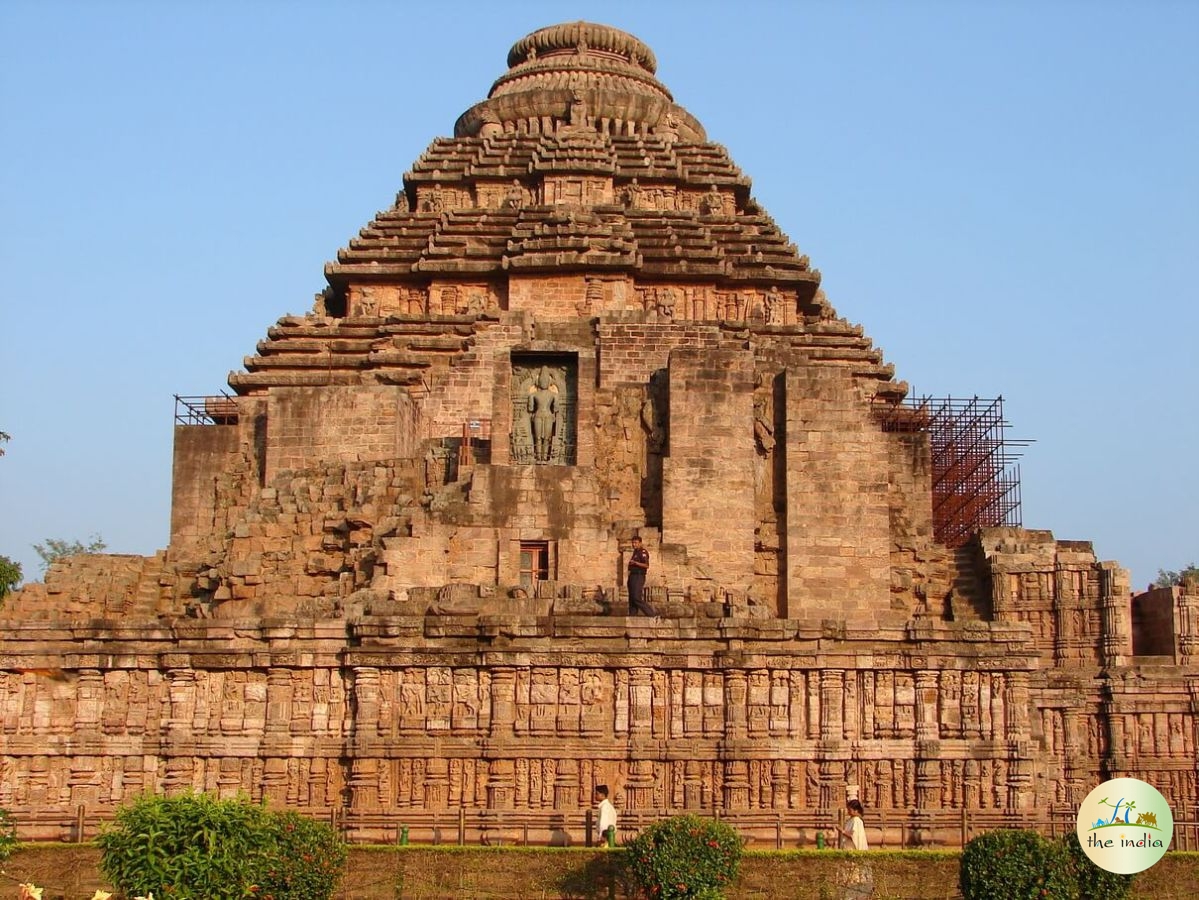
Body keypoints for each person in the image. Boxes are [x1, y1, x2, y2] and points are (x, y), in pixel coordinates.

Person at [626, 536, 657, 617]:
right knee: (632, 598)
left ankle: (652, 614)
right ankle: (632, 617)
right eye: (633, 543)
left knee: (636, 597)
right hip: (632, 576)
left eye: (635, 543)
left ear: (640, 543)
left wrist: (636, 563)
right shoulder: (635, 552)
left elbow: (646, 565)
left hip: (639, 576)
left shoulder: (643, 552)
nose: (634, 545)